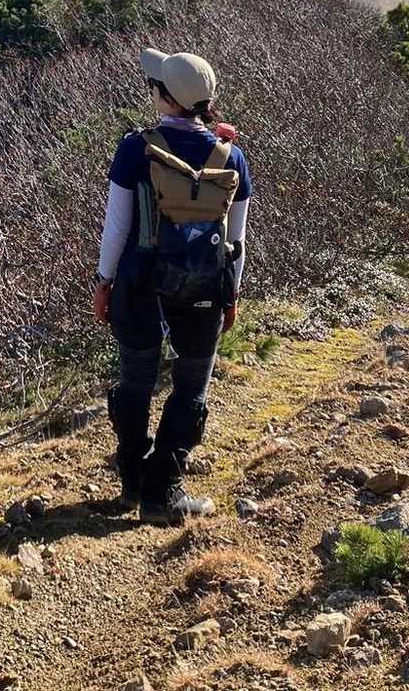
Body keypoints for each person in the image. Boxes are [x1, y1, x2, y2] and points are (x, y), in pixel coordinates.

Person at [92, 47, 252, 525]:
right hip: (205, 287)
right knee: (191, 386)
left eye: (154, 85)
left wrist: (103, 282)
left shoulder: (135, 148)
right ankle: (162, 491)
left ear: (164, 98)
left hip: (140, 283)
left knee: (136, 381)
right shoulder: (231, 155)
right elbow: (237, 239)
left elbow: (116, 228)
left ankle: (132, 481)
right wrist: (231, 295)